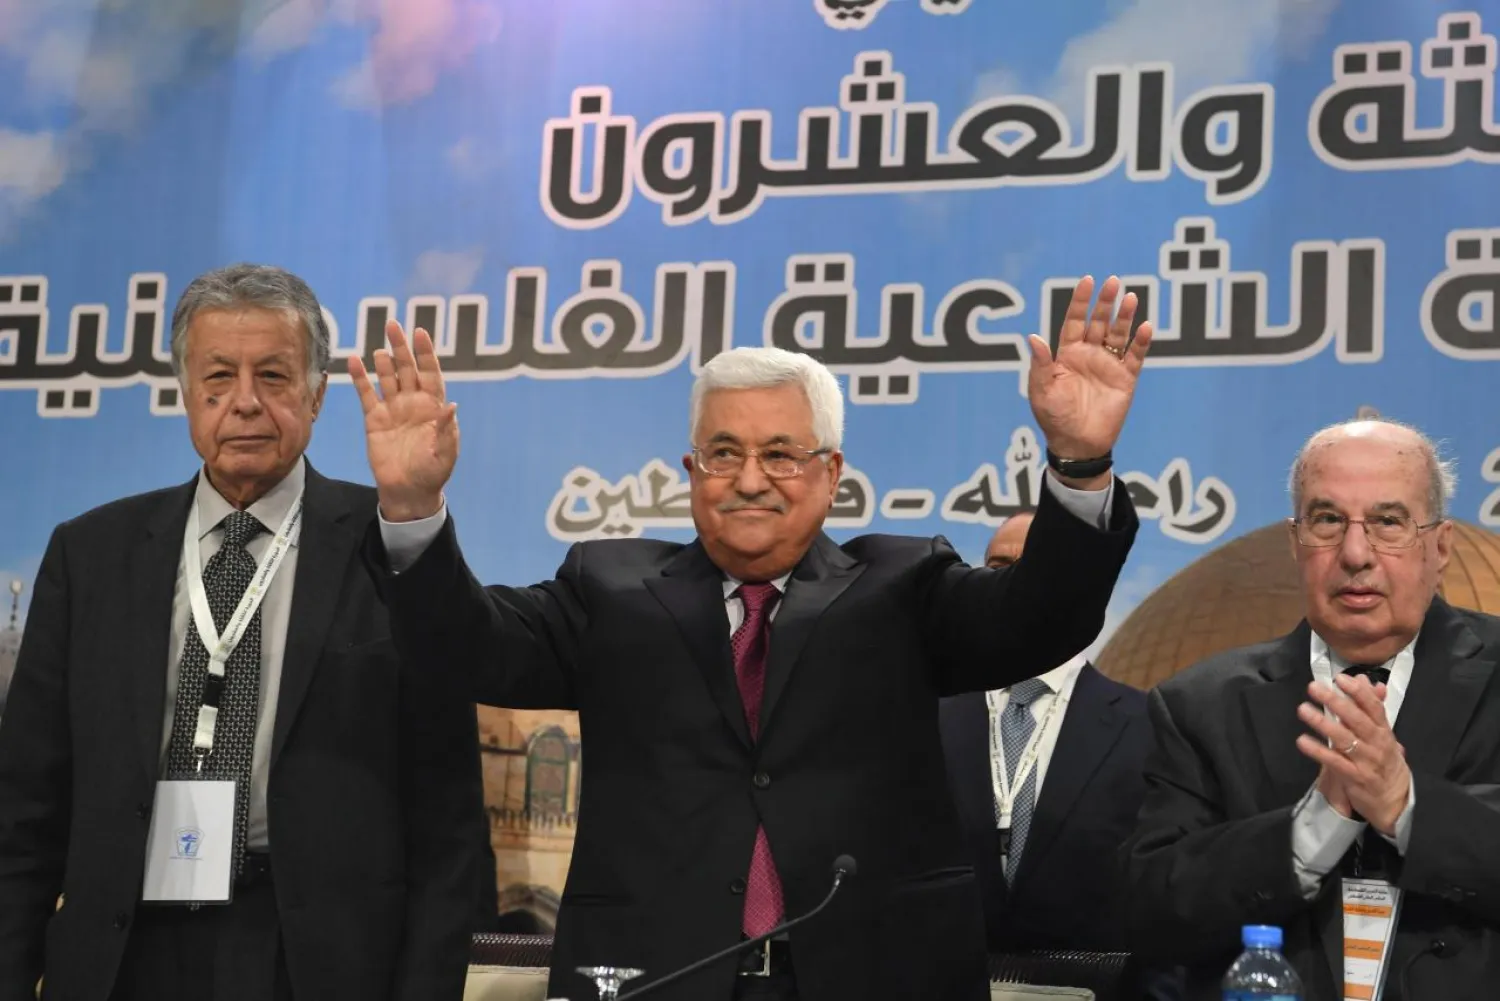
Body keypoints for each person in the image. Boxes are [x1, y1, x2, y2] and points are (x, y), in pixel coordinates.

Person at [353, 277, 1153, 1001]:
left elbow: (1045, 619)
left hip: (871, 972)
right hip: (660, 974)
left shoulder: (905, 588)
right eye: (723, 452)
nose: (748, 478)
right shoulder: (610, 590)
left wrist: (1080, 465)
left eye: (780, 454)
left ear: (832, 472)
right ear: (690, 469)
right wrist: (414, 509)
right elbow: (467, 646)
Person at [0, 264, 484, 1001]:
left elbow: (449, 824)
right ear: (185, 394)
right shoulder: (91, 553)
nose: (246, 403)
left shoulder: (392, 548)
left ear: (318, 396)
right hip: (121, 952)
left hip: (310, 958)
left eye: (275, 375)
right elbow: (25, 809)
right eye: (219, 376)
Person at [1123, 418, 1500, 1000]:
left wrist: (1405, 805)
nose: (1355, 554)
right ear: (1296, 542)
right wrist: (1313, 826)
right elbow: (1151, 909)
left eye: (1387, 522)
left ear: (1441, 546)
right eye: (1328, 521)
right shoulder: (1201, 705)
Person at [938, 513, 1182, 1001]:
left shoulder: (1150, 724)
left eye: (1033, 566)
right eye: (997, 566)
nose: (1013, 582)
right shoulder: (922, 716)